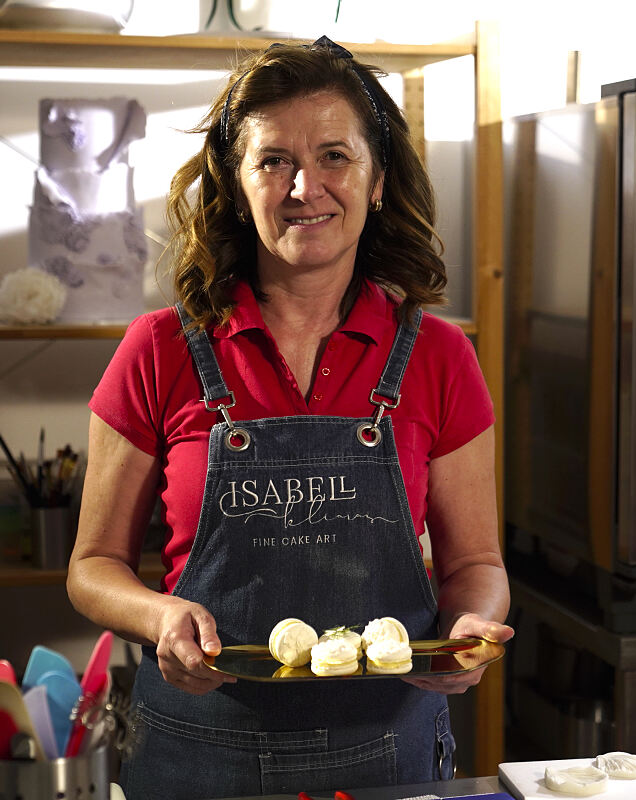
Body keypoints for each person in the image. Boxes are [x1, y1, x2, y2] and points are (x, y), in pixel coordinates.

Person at [67, 35, 513, 800]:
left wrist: (468, 628)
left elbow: (476, 567)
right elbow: (91, 568)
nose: (306, 186)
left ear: (376, 181)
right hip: (198, 754)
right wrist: (159, 615)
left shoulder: (440, 356)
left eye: (334, 155)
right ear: (237, 187)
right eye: (273, 160)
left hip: (386, 754)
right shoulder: (158, 350)